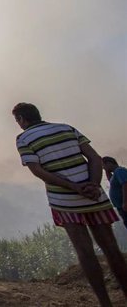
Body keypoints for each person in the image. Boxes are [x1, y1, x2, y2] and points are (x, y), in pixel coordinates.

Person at [12, 102, 127, 306]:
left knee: (85, 252)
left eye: (17, 120)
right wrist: (92, 184)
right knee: (111, 249)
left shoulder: (23, 138)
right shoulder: (66, 128)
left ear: (21, 119)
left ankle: (105, 303)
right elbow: (94, 158)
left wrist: (73, 187)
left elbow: (38, 171)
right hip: (94, 196)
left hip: (64, 201)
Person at [102, 156, 127, 229]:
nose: (103, 168)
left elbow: (125, 184)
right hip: (120, 206)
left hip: (124, 205)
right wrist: (107, 171)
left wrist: (125, 202)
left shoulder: (119, 171)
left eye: (103, 165)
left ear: (109, 163)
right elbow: (111, 181)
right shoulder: (115, 174)